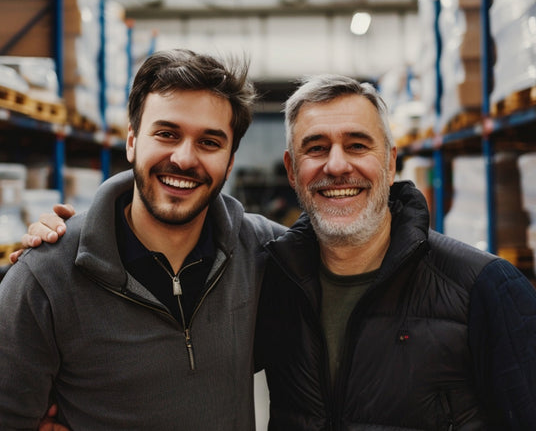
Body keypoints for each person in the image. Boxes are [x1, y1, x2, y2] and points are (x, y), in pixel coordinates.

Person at [12, 74, 536, 429]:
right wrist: (59, 243)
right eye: (315, 148)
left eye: (357, 145)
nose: (336, 166)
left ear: (392, 160)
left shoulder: (484, 289)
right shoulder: (278, 268)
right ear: (290, 170)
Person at [0, 48, 285, 430]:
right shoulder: (45, 278)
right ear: (132, 142)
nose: (184, 159)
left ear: (230, 161)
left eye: (209, 142)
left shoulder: (266, 253)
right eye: (166, 134)